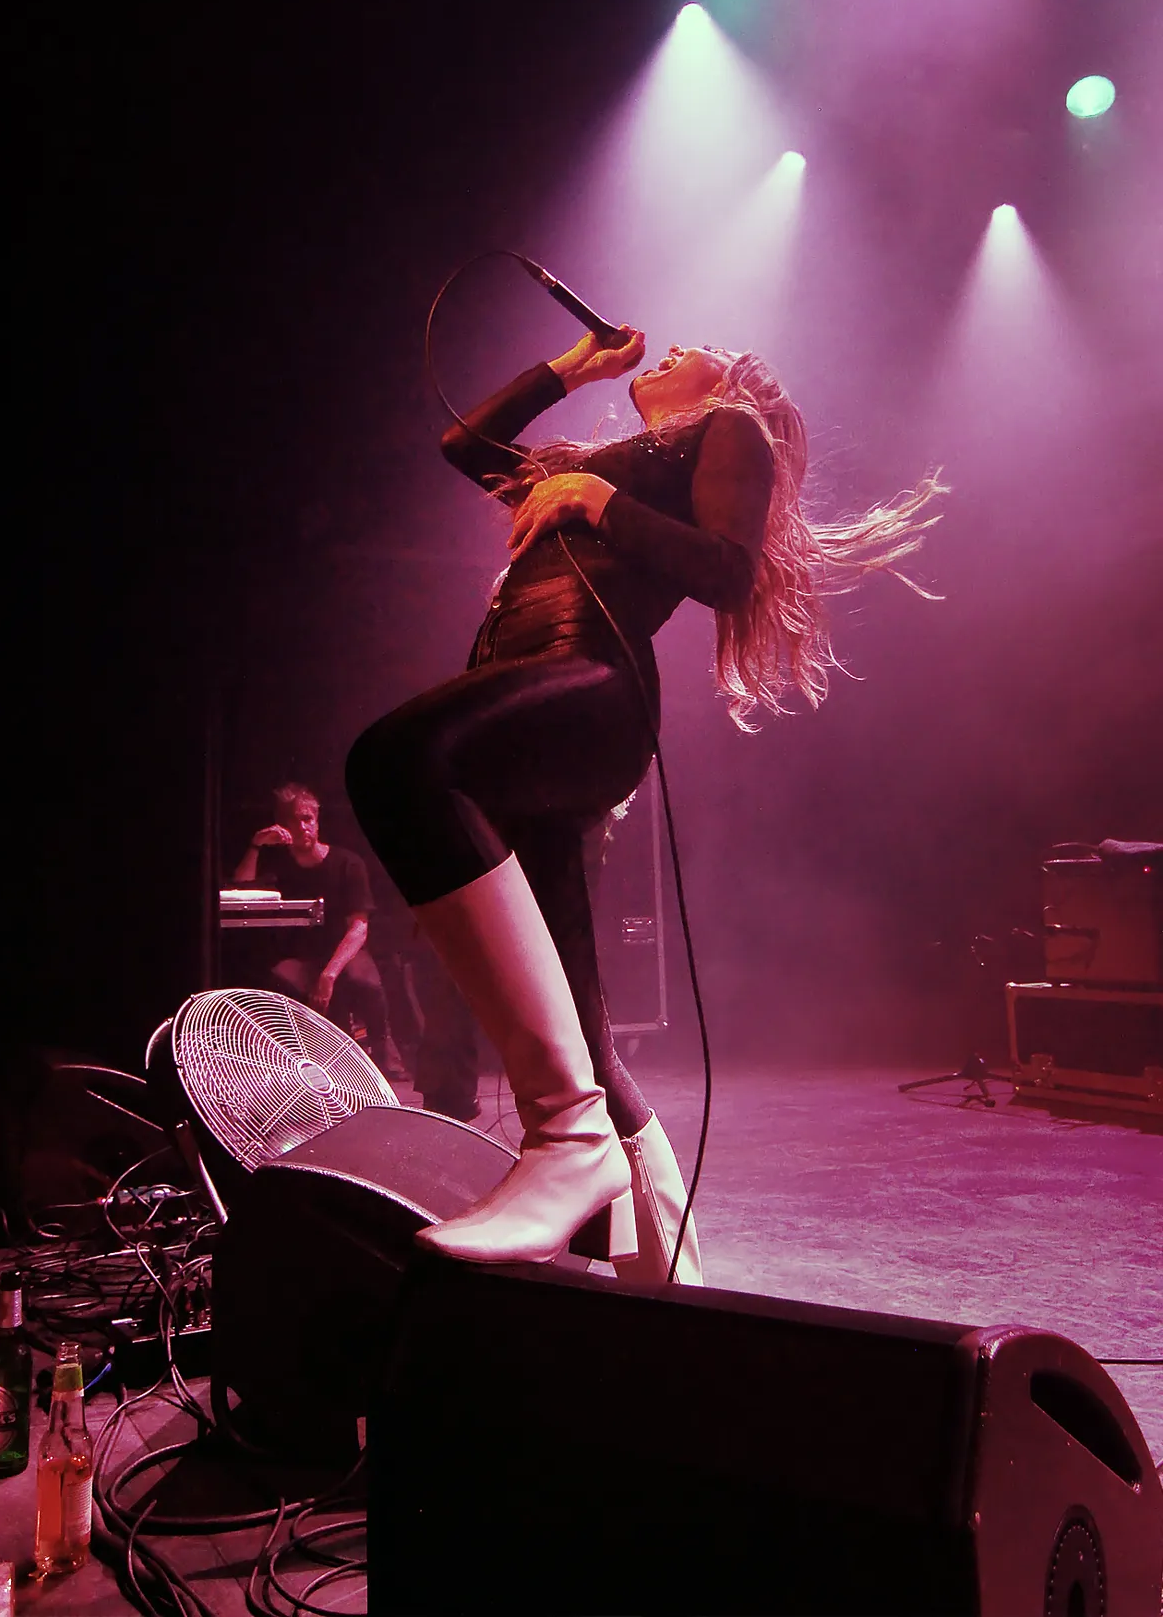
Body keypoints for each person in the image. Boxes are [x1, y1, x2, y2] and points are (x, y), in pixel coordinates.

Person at [345, 328, 945, 1279]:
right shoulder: (580, 465)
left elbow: (728, 572)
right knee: (584, 1032)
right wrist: (570, 370)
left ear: (732, 379)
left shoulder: (727, 428)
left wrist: (598, 499)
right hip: (526, 718)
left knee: (397, 761)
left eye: (695, 348)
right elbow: (464, 445)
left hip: (587, 691)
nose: (667, 352)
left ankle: (567, 1137)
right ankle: (669, 1285)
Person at [232, 783, 405, 1077]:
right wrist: (256, 844)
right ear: (282, 826)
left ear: (317, 820)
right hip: (299, 955)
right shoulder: (278, 863)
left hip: (342, 952)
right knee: (274, 983)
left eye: (307, 819)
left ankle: (383, 1050)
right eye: (293, 821)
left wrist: (329, 974)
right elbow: (241, 889)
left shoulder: (347, 864)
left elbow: (359, 928)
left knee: (365, 982)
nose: (302, 827)